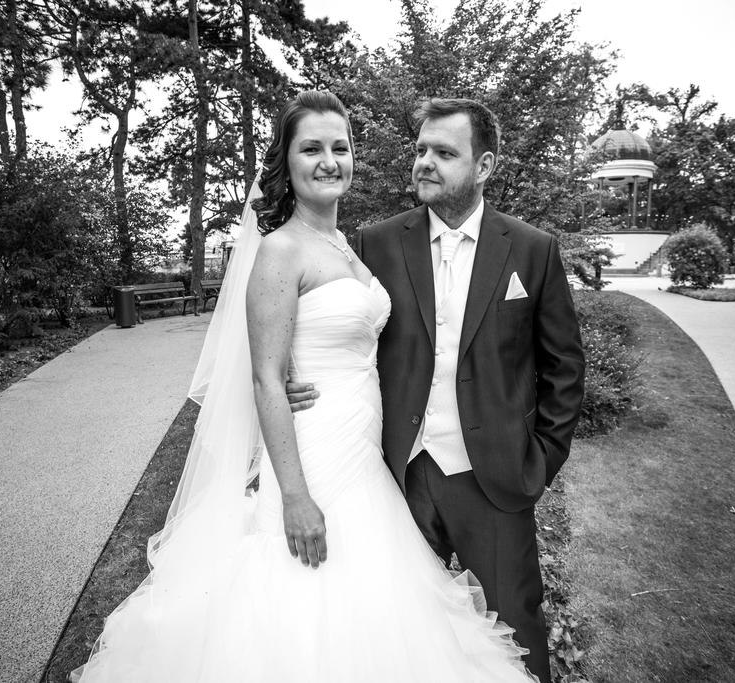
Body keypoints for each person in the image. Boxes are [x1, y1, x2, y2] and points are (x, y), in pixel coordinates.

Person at [70, 91, 537, 682]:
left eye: (340, 147)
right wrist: (294, 496)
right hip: (311, 459)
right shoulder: (279, 250)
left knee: (377, 614)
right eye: (311, 148)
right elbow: (266, 377)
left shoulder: (351, 246)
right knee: (304, 607)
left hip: (365, 456)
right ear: (286, 161)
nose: (329, 161)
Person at [288, 98, 585, 682]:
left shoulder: (532, 249)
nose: (425, 161)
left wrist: (541, 458)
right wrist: (296, 378)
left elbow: (564, 367)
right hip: (396, 478)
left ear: (484, 166)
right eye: (421, 149)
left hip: (494, 479)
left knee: (515, 633)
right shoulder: (374, 243)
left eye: (445, 153)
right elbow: (341, 330)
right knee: (398, 638)